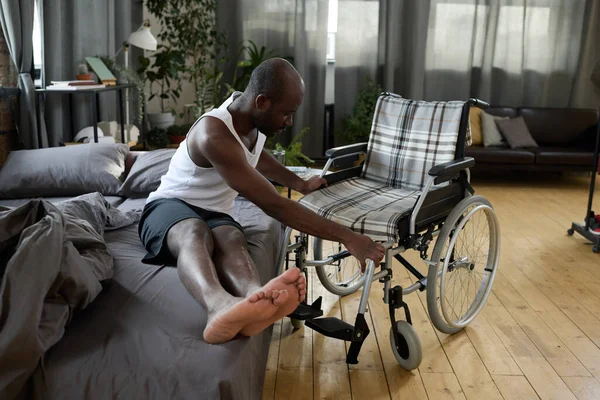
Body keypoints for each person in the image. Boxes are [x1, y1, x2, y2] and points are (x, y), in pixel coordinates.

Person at [138, 57, 385, 345]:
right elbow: (275, 205)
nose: (290, 122)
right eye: (287, 113)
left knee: (231, 236)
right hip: (169, 207)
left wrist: (299, 183)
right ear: (262, 101)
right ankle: (217, 306)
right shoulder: (214, 134)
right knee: (194, 230)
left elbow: (257, 157)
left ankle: (257, 299)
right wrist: (348, 236)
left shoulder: (249, 121)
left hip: (214, 213)